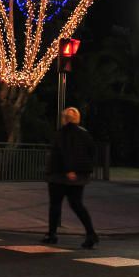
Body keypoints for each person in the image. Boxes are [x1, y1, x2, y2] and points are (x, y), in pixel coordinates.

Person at [42, 107, 99, 249]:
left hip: (59, 175)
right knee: (77, 205)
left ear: (64, 118)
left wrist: (69, 169)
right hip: (79, 176)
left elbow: (64, 151)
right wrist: (84, 169)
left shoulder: (63, 133)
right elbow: (92, 152)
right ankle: (91, 233)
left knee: (55, 204)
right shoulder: (84, 133)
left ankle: (51, 234)